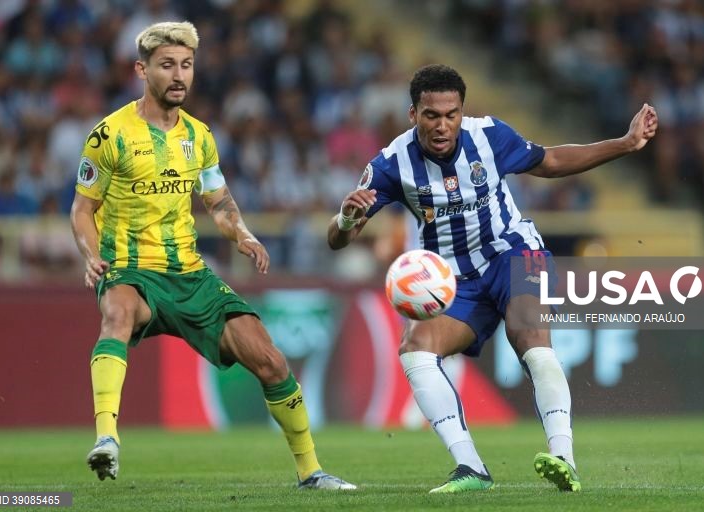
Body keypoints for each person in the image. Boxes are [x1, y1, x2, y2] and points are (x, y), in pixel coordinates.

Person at [328, 64, 658, 493]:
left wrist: (626, 143)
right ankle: (471, 468)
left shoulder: (489, 136)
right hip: (454, 280)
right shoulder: (391, 164)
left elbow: (551, 160)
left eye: (451, 114)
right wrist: (345, 217)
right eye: (432, 115)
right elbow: (340, 238)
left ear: (462, 112)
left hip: (515, 253)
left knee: (531, 339)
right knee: (415, 347)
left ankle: (564, 459)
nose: (443, 125)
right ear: (413, 114)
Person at [70, 21, 355, 490]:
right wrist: (88, 254)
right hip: (129, 268)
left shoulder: (200, 136)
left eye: (186, 65)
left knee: (271, 361)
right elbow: (83, 210)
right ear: (142, 70)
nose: (179, 75)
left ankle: (311, 472)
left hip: (190, 273)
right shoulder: (109, 135)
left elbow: (218, 202)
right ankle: (107, 439)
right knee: (117, 314)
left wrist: (241, 233)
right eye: (167, 66)